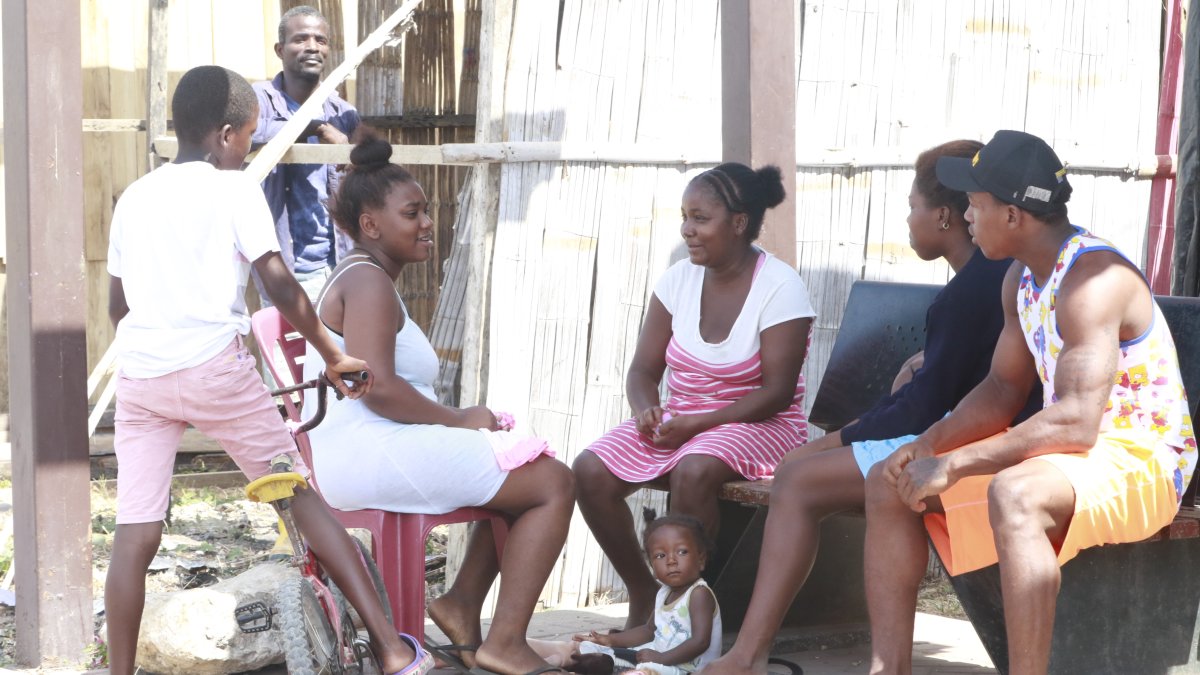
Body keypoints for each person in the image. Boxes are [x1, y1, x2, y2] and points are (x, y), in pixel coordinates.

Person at [103, 66, 428, 675]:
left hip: (141, 380)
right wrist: (333, 355)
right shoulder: (234, 190)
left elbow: (118, 308)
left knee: (135, 533)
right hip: (213, 371)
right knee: (300, 499)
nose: (249, 148)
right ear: (227, 135)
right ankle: (390, 649)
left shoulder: (135, 196)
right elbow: (275, 280)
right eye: (250, 137)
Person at [701, 139, 1042, 675]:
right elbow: (934, 390)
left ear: (947, 216)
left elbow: (920, 411)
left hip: (973, 443)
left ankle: (750, 654)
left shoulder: (974, 290)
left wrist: (830, 440)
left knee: (796, 479)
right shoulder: (980, 283)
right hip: (958, 432)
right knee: (817, 476)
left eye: (912, 207)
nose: (908, 220)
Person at [864, 130, 1197, 675]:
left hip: (1146, 459)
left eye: (975, 202)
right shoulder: (1021, 277)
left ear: (1014, 215)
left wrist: (952, 463)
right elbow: (1000, 391)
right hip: (1073, 459)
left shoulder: (1093, 279)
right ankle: (888, 669)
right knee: (887, 480)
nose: (966, 213)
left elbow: (1076, 422)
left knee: (1014, 493)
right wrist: (926, 444)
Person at [301, 137, 575, 675]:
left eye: (427, 210)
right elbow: (375, 387)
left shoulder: (365, 275)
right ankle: (506, 644)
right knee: (553, 482)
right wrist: (461, 419)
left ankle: (461, 608)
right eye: (412, 213)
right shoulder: (368, 282)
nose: (428, 222)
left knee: (520, 465)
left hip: (369, 444)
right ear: (371, 224)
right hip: (372, 446)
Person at [574, 163, 816, 628]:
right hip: (683, 421)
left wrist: (697, 425)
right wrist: (646, 409)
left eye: (700, 218)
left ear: (739, 222)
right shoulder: (678, 280)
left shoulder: (780, 287)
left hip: (761, 425)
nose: (687, 230)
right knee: (589, 470)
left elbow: (777, 393)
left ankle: (684, 616)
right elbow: (643, 371)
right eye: (685, 217)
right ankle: (646, 592)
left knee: (695, 469)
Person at [253, 5, 361, 299]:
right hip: (285, 270)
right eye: (300, 39)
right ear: (280, 49)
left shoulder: (343, 112)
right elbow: (249, 133)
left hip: (340, 264)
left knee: (344, 347)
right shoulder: (259, 100)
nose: (312, 47)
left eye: (320, 40)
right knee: (294, 347)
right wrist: (317, 128)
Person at [531, 514, 722, 675]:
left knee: (640, 670)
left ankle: (575, 663)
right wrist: (610, 640)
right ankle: (566, 659)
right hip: (658, 658)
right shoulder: (664, 593)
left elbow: (700, 642)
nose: (671, 560)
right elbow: (648, 630)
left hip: (687, 669)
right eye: (660, 556)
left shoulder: (699, 594)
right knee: (592, 648)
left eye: (682, 552)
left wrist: (661, 658)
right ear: (653, 568)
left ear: (701, 559)